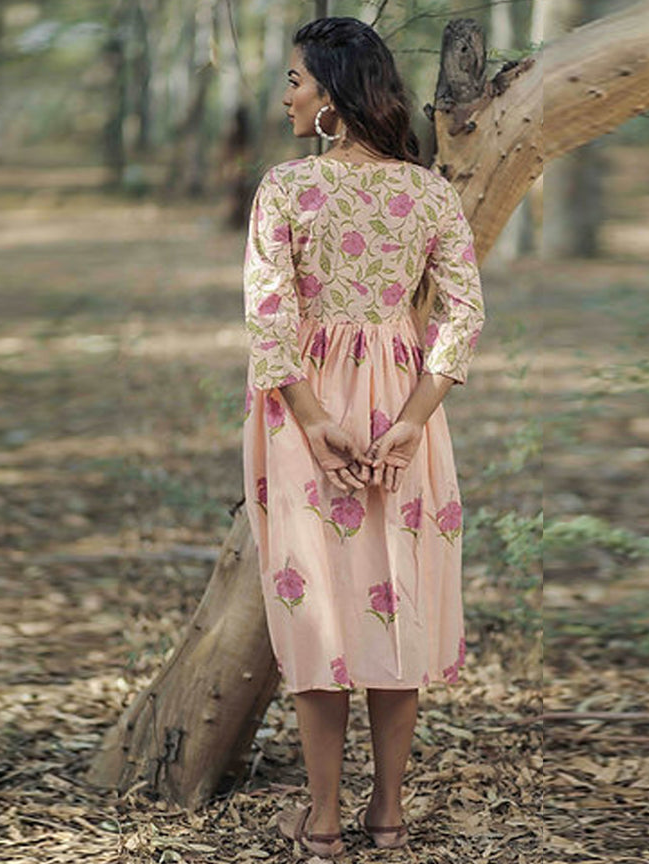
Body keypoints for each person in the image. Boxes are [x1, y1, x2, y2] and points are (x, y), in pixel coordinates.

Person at [242, 17, 485, 859]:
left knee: (320, 610)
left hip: (305, 406)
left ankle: (323, 820)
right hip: (403, 401)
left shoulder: (283, 189)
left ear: (334, 95)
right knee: (395, 598)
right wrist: (415, 420)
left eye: (296, 81)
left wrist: (313, 422)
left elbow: (269, 322)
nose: (286, 97)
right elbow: (463, 315)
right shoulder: (428, 193)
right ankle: (387, 817)